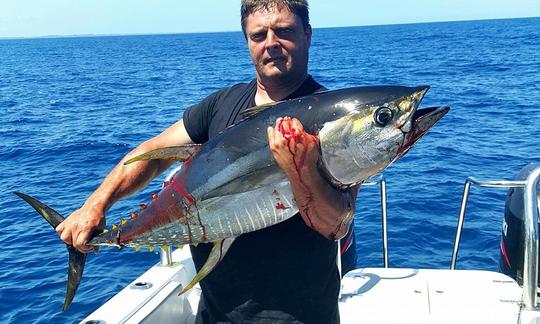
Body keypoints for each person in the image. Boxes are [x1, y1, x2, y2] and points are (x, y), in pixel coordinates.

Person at [55, 0, 359, 323]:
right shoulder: (219, 106)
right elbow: (153, 153)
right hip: (214, 316)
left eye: (284, 31)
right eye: (259, 35)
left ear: (308, 35)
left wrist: (301, 168)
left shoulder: (334, 119)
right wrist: (97, 204)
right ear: (247, 42)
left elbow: (336, 225)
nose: (271, 43)